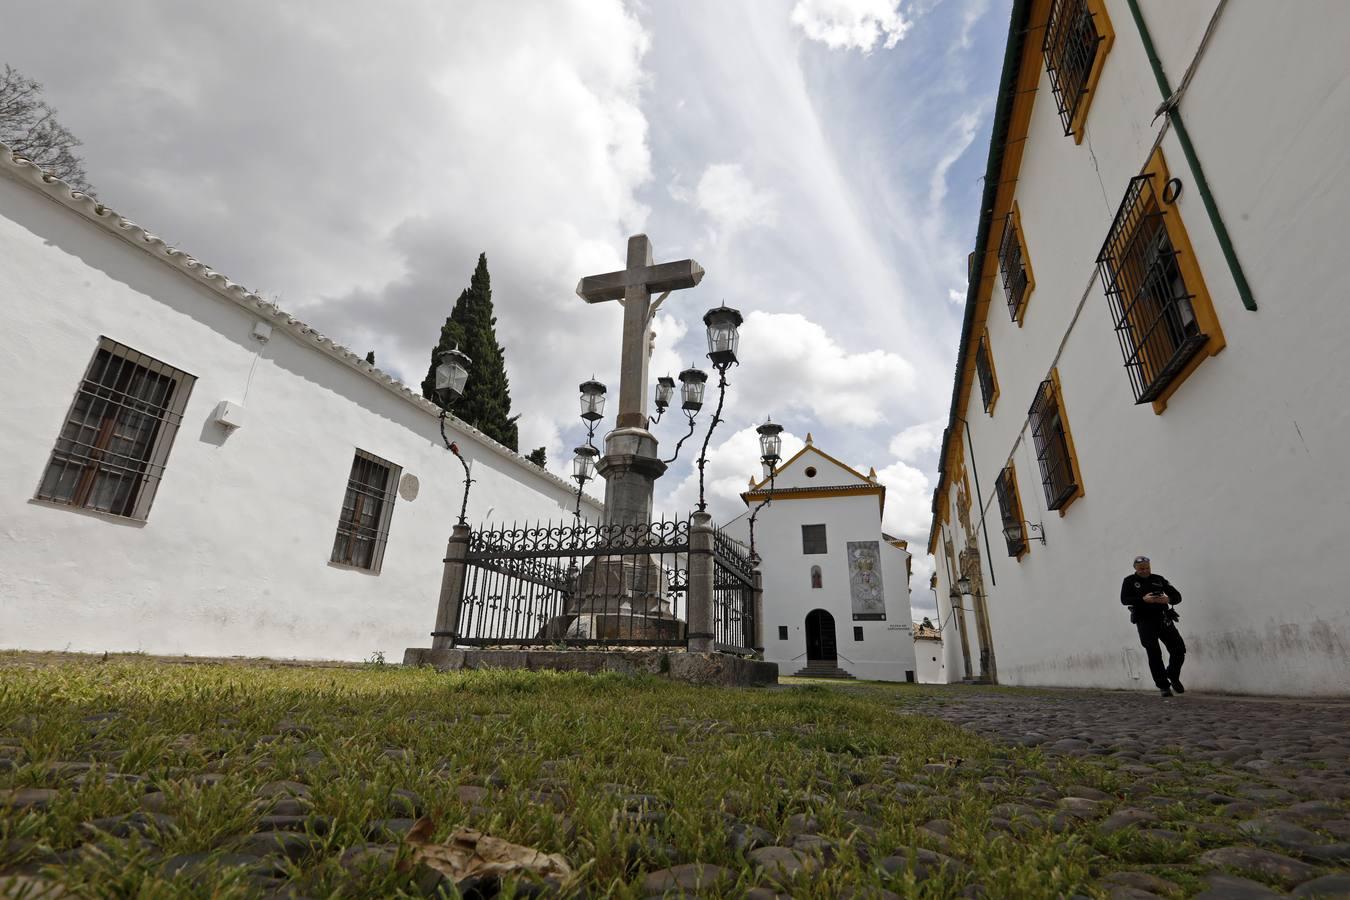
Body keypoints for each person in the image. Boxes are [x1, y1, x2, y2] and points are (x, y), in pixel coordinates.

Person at [1120, 555, 1185, 698]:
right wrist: (1143, 600)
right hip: (1144, 621)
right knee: (1154, 653)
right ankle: (1163, 686)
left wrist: (1168, 599)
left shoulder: (1158, 579)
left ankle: (1173, 675)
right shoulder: (1129, 581)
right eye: (1141, 568)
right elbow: (1124, 600)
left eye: (1147, 567)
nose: (1145, 570)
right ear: (1135, 569)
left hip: (1163, 618)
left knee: (1179, 649)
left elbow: (1177, 596)